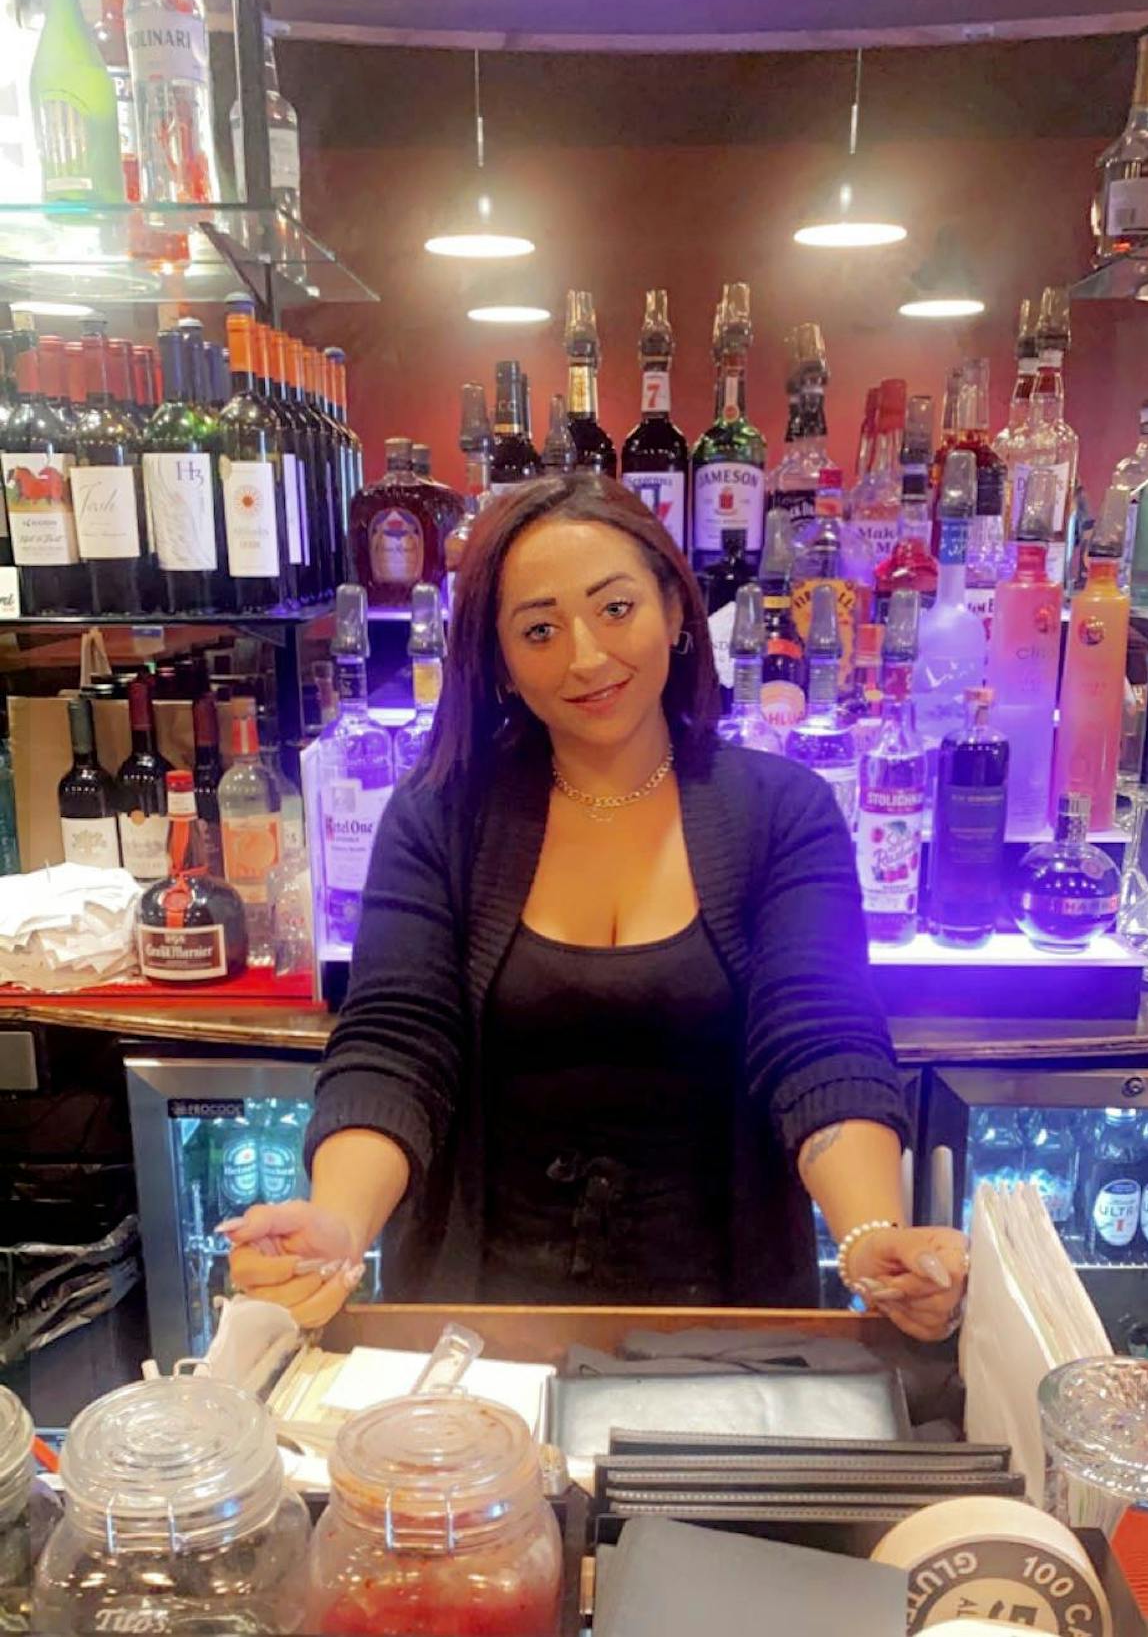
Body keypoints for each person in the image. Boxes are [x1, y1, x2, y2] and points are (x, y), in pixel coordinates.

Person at [224, 474, 967, 1341]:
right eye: (539, 629)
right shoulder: (440, 817)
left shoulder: (782, 810)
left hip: (735, 1324)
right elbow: (395, 1044)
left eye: (615, 609)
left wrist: (872, 1234)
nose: (584, 656)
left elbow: (820, 1037)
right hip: (476, 1325)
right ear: (499, 660)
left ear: (676, 611)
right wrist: (339, 1229)